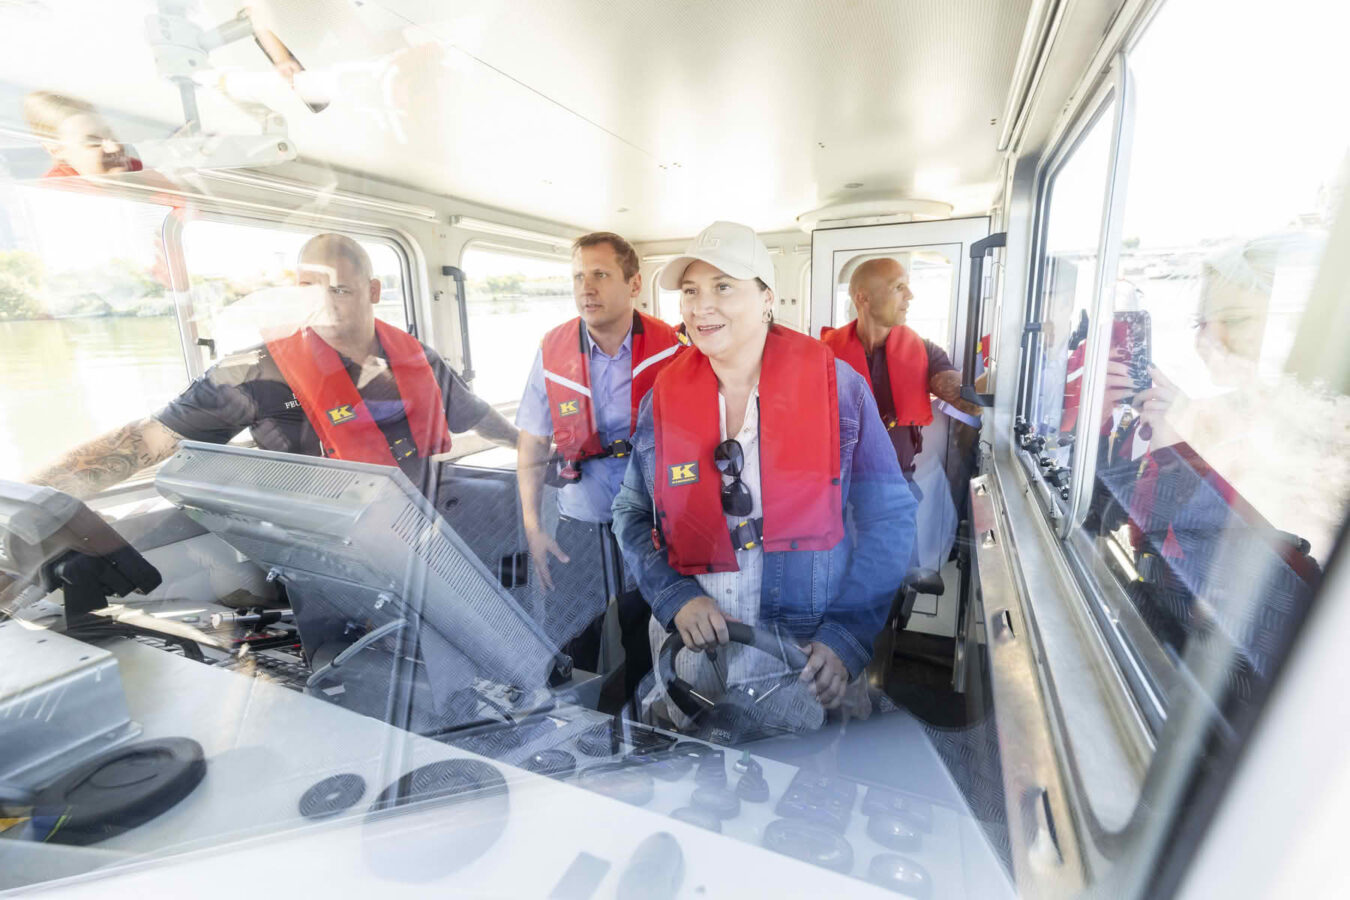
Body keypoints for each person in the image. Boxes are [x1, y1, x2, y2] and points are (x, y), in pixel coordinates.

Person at [611, 221, 915, 726]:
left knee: (805, 794)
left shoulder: (839, 390)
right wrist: (674, 596)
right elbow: (631, 513)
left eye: (723, 287)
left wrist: (847, 636)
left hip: (806, 655)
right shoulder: (660, 399)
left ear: (767, 298)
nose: (701, 306)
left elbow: (891, 519)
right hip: (693, 649)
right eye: (690, 291)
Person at [28, 233, 517, 499]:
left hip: (425, 517)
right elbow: (145, 441)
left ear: (372, 292)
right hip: (329, 536)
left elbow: (471, 414)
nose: (322, 303)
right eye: (309, 288)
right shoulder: (249, 374)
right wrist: (26, 496)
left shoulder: (418, 358)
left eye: (339, 289)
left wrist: (532, 447)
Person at [515, 232, 682, 695]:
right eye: (578, 277)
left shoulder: (674, 349)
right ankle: (577, 732)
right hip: (581, 521)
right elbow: (532, 441)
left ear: (634, 284)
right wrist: (533, 526)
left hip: (655, 525)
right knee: (574, 639)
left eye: (600, 275)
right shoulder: (552, 351)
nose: (586, 288)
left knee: (652, 633)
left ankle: (650, 722)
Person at [820, 257, 982, 489]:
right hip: (836, 484)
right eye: (898, 287)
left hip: (896, 483)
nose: (910, 295)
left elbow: (971, 404)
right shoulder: (823, 354)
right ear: (862, 297)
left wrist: (1001, 371)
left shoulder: (925, 351)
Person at [22, 91, 143, 178]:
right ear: (56, 150)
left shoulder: (136, 170)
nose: (115, 147)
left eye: (112, 136)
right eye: (94, 143)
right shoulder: (57, 196)